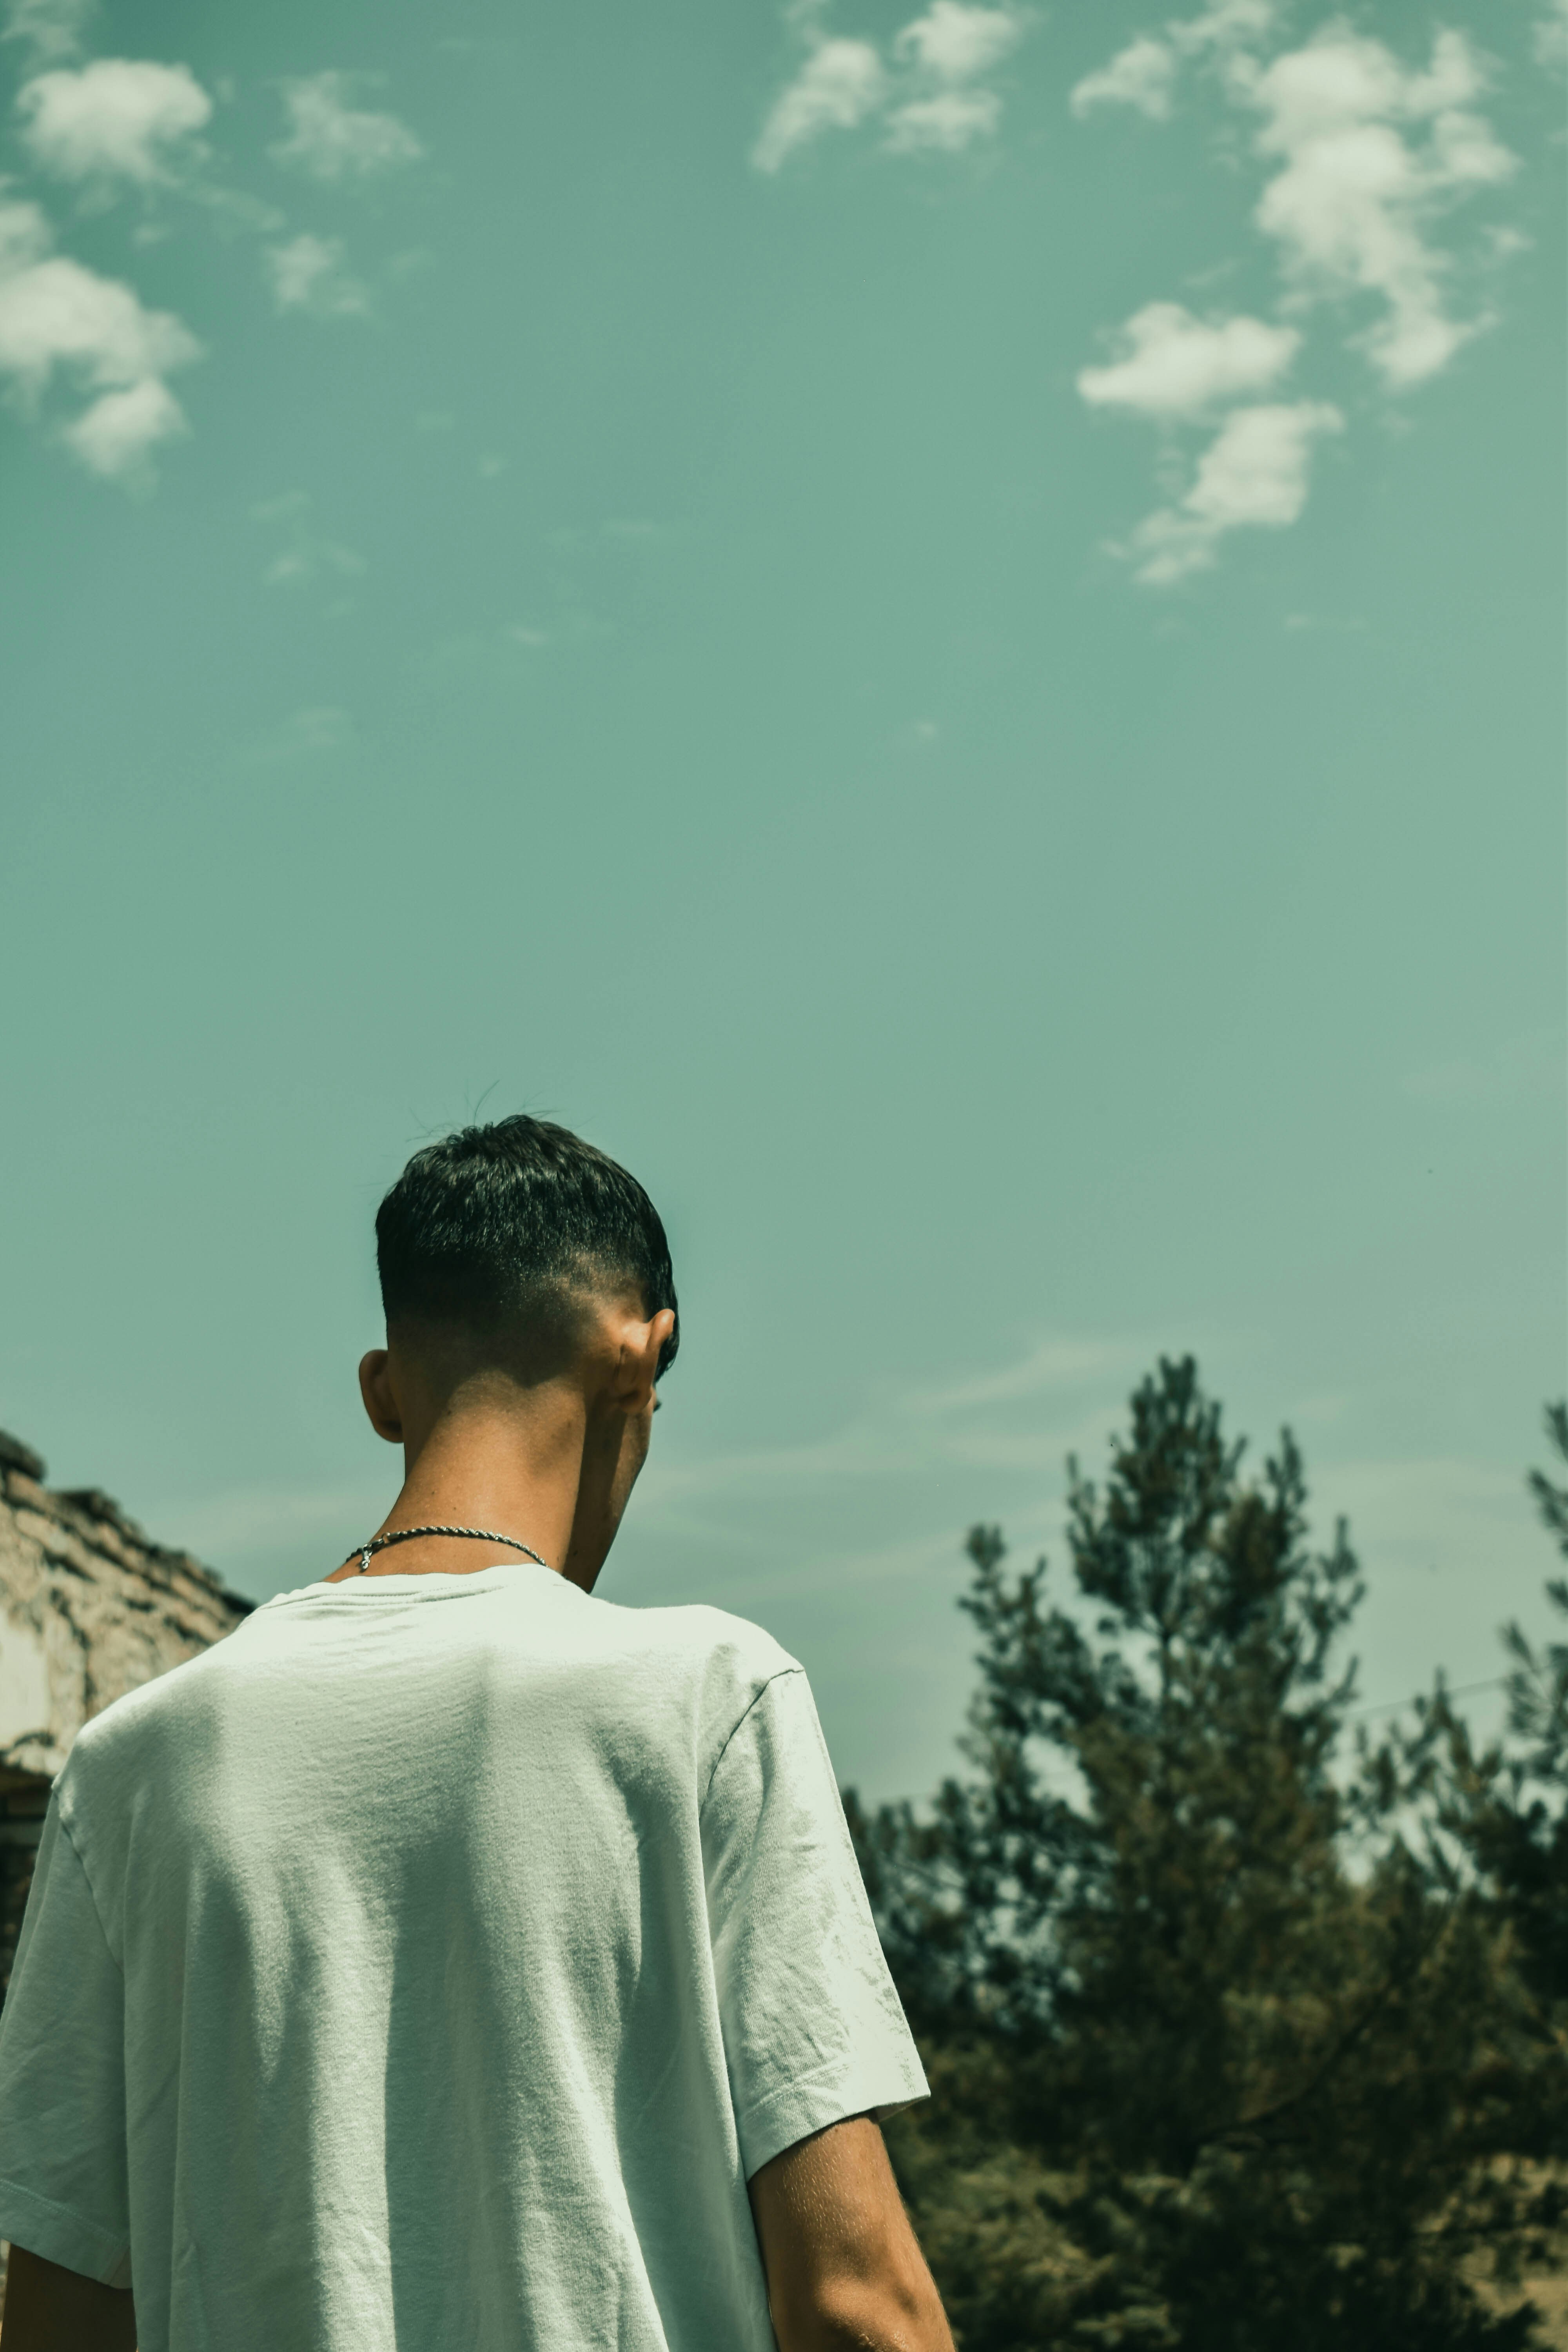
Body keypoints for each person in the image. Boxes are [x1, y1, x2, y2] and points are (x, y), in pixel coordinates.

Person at [0, 1117, 954, 2352]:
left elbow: (59, 2318)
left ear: (383, 1392)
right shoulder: (710, 1701)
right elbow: (858, 2305)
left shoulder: (130, 1767)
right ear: (641, 1354)